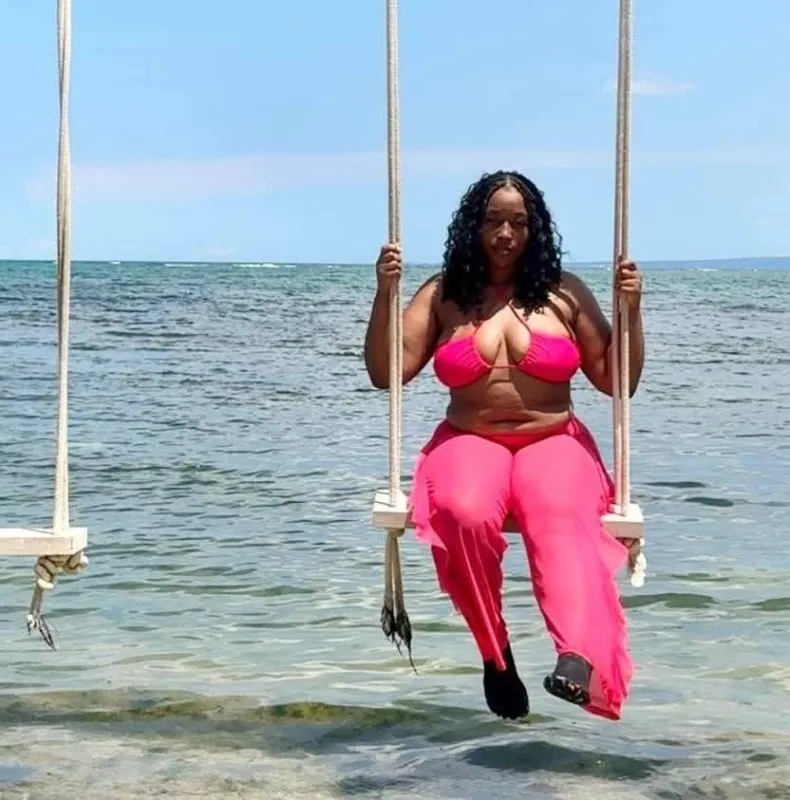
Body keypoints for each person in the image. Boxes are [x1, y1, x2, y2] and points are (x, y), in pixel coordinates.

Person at [363, 170, 644, 722]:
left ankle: (577, 655)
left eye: (519, 222)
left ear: (535, 230)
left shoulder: (565, 293)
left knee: (559, 515)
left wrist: (631, 311)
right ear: (474, 226)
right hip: (469, 436)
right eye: (494, 220)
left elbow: (618, 381)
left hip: (553, 436)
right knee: (461, 512)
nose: (506, 234)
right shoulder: (444, 295)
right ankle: (495, 652)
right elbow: (384, 371)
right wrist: (383, 294)